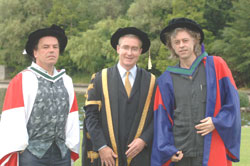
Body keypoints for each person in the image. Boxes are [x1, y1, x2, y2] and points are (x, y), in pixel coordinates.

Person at [151, 18, 241, 166]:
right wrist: (167, 150)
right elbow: (162, 119)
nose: (181, 45)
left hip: (210, 147)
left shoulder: (216, 66)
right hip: (180, 153)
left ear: (195, 40)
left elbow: (233, 103)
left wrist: (216, 122)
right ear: (172, 47)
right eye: (176, 42)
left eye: (185, 40)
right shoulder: (166, 80)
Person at [0, 25, 80, 166]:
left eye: (55, 47)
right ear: (35, 52)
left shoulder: (66, 80)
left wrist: (70, 145)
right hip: (32, 155)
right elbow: (13, 117)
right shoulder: (23, 79)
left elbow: (72, 117)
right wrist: (20, 147)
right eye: (46, 47)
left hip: (61, 154)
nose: (51, 50)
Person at [82, 27, 156, 166]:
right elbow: (91, 117)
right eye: (125, 47)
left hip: (140, 155)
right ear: (118, 49)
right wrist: (102, 147)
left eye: (134, 49)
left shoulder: (151, 81)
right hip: (108, 155)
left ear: (140, 51)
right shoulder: (100, 79)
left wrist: (144, 139)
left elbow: (157, 116)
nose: (129, 53)